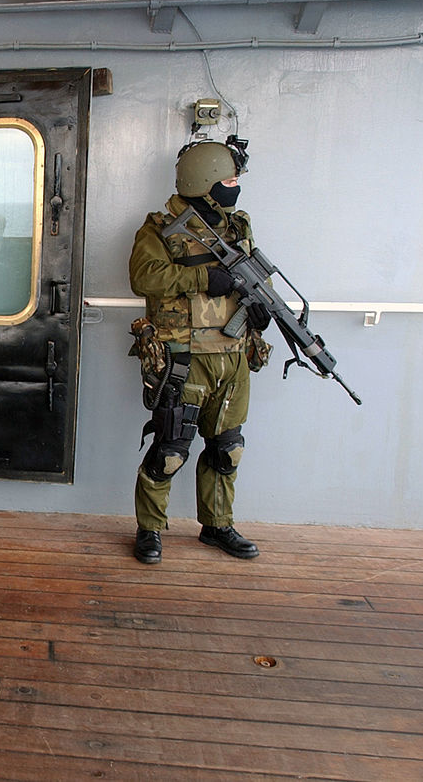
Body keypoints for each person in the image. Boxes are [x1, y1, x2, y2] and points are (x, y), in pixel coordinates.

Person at [128, 138, 270, 565]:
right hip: (184, 358)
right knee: (170, 450)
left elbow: (246, 279)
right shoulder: (158, 229)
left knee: (227, 448)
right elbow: (144, 277)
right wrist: (203, 279)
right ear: (205, 181)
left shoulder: (237, 227)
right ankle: (150, 530)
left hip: (233, 354)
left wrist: (259, 307)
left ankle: (217, 525)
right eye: (229, 179)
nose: (235, 187)